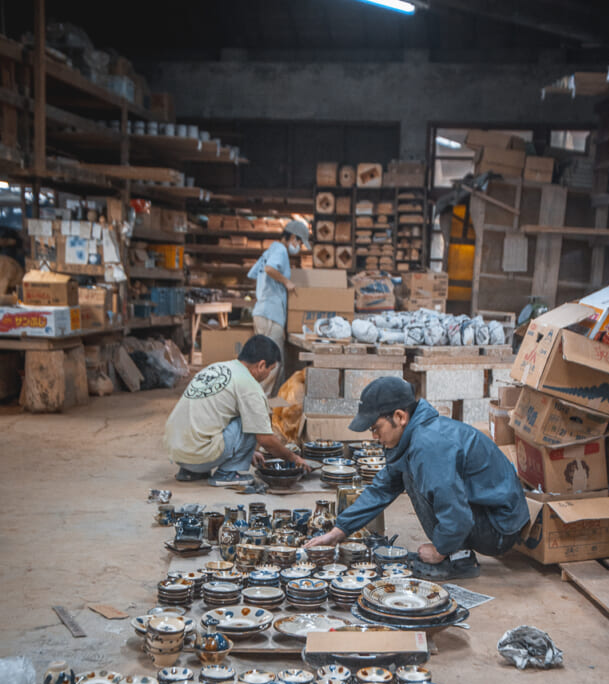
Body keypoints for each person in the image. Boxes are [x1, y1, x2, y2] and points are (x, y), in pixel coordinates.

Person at [304, 377, 530, 579]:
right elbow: (382, 487)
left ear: (400, 416)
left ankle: (458, 560)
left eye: (376, 428)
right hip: (492, 515)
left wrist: (440, 549)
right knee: (405, 472)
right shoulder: (416, 436)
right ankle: (455, 550)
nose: (374, 437)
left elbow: (457, 512)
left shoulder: (428, 446)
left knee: (412, 476)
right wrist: (339, 530)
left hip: (499, 528)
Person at [164, 334, 310, 487]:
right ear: (261, 365)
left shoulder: (215, 368)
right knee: (252, 420)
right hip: (199, 456)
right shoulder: (250, 386)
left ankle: (189, 472)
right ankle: (228, 473)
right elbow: (266, 440)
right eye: (270, 369)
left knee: (235, 416)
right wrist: (294, 458)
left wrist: (247, 452)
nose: (268, 375)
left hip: (178, 452)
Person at [248, 219, 310, 391]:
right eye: (299, 242)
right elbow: (269, 269)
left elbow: (256, 273)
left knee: (263, 363)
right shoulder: (281, 250)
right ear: (292, 237)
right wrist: (286, 282)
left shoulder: (271, 250)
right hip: (269, 315)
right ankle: (262, 404)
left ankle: (262, 403)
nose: (298, 247)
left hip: (264, 313)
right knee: (271, 364)